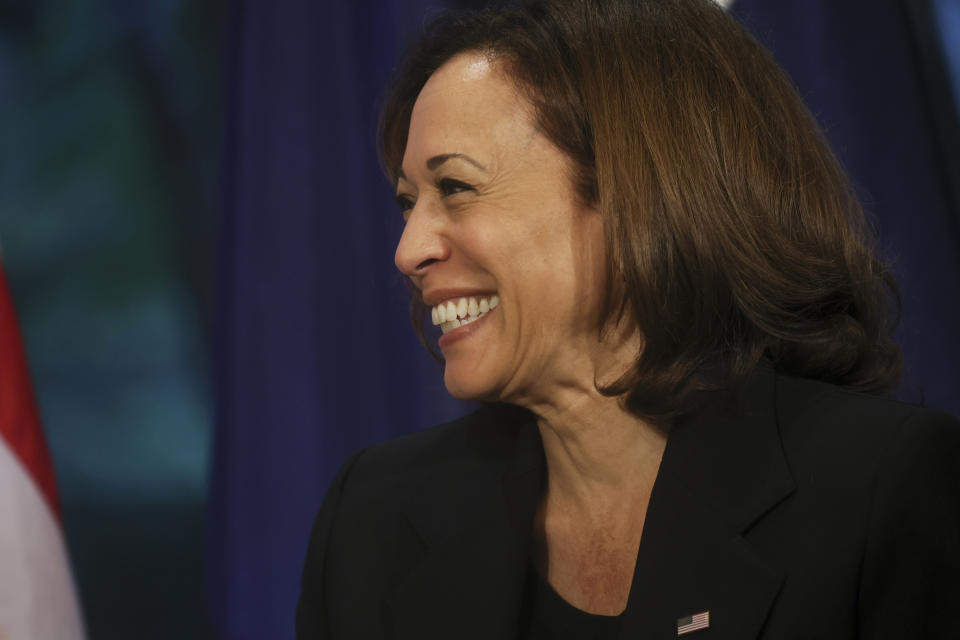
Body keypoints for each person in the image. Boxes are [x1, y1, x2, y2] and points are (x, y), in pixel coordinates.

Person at [296, 0, 960, 637]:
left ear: (634, 191)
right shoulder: (373, 522)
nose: (408, 250)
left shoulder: (881, 493)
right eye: (410, 203)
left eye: (456, 188)